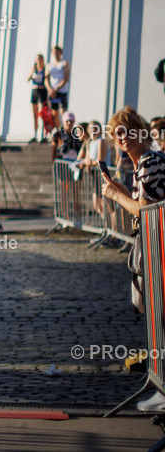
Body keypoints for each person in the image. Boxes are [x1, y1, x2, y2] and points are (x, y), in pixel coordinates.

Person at [100, 107, 165, 412]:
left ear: (140, 132)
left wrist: (115, 196)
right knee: (153, 312)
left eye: (127, 132)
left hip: (159, 249)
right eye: (117, 134)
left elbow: (146, 210)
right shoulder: (143, 163)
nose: (123, 138)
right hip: (153, 247)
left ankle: (162, 386)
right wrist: (121, 190)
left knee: (159, 315)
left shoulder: (150, 161)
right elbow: (142, 203)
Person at [46, 45, 71, 127]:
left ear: (60, 53)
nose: (55, 54)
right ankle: (58, 129)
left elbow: (66, 78)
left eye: (57, 52)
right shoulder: (49, 65)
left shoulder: (64, 63)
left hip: (62, 91)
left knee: (63, 112)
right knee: (54, 112)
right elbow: (46, 78)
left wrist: (57, 88)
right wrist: (50, 89)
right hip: (52, 92)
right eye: (54, 52)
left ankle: (65, 128)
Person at [27, 54, 48, 143]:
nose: (38, 61)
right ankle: (35, 135)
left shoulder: (44, 70)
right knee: (34, 115)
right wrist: (32, 72)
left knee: (41, 115)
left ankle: (43, 135)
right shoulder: (34, 69)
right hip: (34, 91)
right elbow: (28, 78)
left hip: (42, 91)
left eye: (40, 59)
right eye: (37, 59)